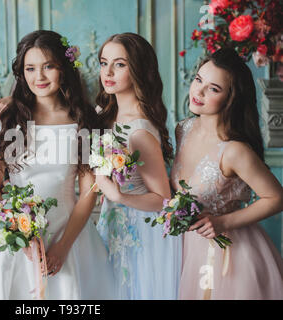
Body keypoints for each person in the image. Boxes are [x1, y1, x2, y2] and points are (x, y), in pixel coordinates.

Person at [0, 30, 116, 300]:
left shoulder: (84, 121)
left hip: (69, 234)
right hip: (15, 237)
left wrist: (61, 248)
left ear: (63, 69)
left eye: (48, 66)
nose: (39, 77)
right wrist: (15, 231)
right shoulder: (6, 121)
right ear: (22, 72)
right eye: (30, 68)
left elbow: (89, 191)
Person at [171, 48, 283, 299]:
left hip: (230, 254)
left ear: (230, 98)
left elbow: (277, 198)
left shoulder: (234, 151)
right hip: (189, 249)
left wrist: (222, 222)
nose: (198, 92)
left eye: (213, 88)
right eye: (198, 80)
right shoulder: (183, 129)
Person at [95, 33, 182, 299]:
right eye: (103, 62)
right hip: (112, 222)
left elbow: (163, 199)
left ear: (139, 70)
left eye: (119, 64)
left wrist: (119, 195)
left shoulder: (139, 131)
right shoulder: (105, 114)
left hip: (141, 233)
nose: (108, 72)